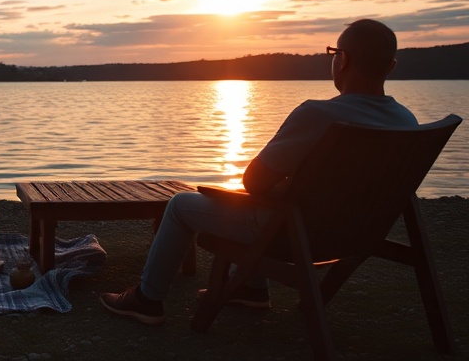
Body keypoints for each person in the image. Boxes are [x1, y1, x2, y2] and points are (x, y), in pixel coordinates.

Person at [100, 19, 419, 324]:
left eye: (334, 53)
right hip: (356, 236)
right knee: (267, 197)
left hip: (294, 235)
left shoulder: (319, 115)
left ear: (343, 60)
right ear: (391, 66)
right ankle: (250, 288)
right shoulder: (406, 122)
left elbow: (254, 181)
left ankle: (147, 299)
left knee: (181, 205)